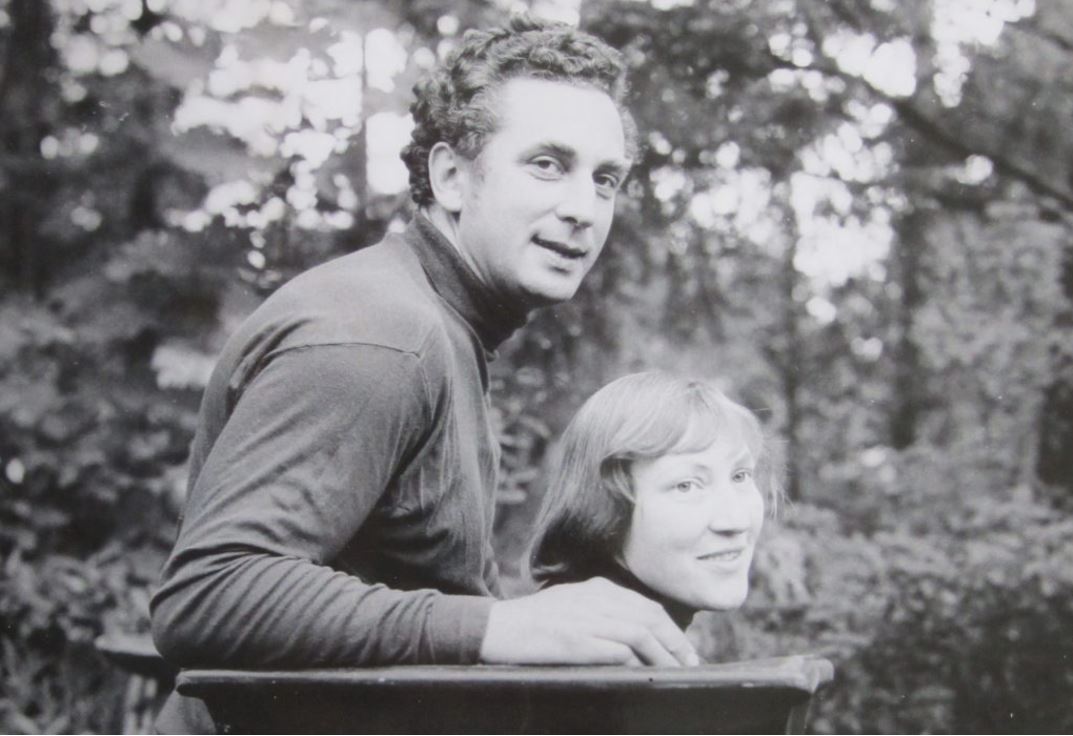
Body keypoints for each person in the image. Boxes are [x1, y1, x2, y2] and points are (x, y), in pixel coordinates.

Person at [151, 14, 698, 733]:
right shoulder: (379, 336)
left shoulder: (441, 325)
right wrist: (498, 629)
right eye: (546, 164)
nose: (581, 210)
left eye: (604, 180)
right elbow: (209, 593)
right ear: (449, 177)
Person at [528, 371, 777, 631]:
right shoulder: (590, 652)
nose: (736, 521)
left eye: (740, 476)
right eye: (686, 486)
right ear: (603, 507)